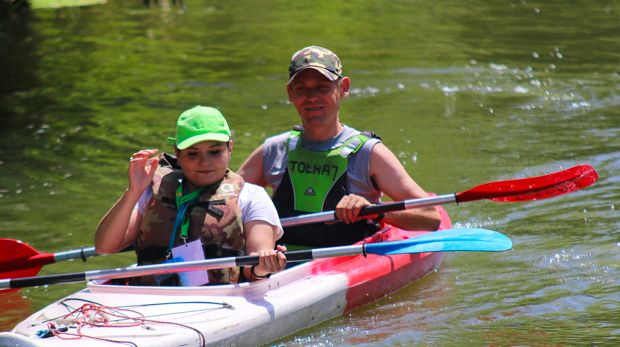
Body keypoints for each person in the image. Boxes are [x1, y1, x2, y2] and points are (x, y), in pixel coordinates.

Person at [238, 46, 442, 247]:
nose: (312, 97)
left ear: (343, 88)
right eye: (302, 88)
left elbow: (431, 218)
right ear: (290, 93)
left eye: (322, 86)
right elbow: (226, 202)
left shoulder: (369, 154)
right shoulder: (273, 150)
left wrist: (375, 210)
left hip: (343, 265)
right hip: (281, 267)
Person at [96, 105, 286, 285]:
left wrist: (263, 268)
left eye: (215, 151)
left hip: (220, 301)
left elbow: (253, 271)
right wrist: (133, 192)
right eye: (193, 154)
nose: (205, 162)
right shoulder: (151, 191)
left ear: (230, 148)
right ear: (177, 153)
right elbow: (104, 247)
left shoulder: (252, 196)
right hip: (150, 298)